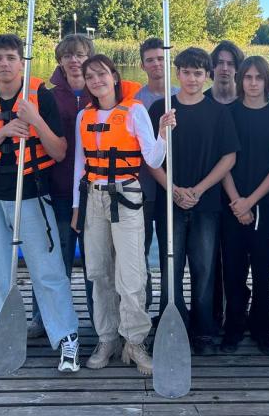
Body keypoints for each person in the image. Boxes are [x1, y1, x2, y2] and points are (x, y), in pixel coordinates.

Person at [0, 34, 80, 373]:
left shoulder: (40, 95)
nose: (4, 64)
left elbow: (59, 152)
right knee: (0, 275)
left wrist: (35, 119)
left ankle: (66, 337)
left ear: (22, 62)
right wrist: (4, 131)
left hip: (32, 195)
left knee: (48, 271)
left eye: (11, 57)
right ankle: (8, 335)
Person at [70, 55, 175, 375]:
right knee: (98, 273)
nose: (96, 80)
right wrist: (76, 207)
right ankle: (107, 339)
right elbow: (80, 164)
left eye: (101, 74)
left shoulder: (135, 111)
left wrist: (163, 133)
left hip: (127, 197)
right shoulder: (83, 116)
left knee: (131, 275)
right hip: (93, 198)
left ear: (114, 76)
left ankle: (134, 341)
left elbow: (153, 159)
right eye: (90, 76)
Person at [148, 47, 239, 355]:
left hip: (206, 204)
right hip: (168, 203)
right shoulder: (162, 110)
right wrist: (173, 189)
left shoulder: (218, 112)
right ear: (177, 74)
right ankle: (171, 326)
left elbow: (228, 157)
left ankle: (204, 331)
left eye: (198, 73)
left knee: (204, 269)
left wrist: (198, 190)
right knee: (170, 269)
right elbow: (151, 158)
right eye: (185, 72)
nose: (191, 79)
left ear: (207, 76)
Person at [220, 56, 269, 355]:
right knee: (233, 271)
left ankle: (263, 328)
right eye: (247, 77)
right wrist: (237, 201)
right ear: (240, 80)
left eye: (258, 77)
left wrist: (250, 201)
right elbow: (223, 162)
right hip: (231, 202)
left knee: (263, 271)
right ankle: (234, 327)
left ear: (266, 81)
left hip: (265, 205)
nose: (252, 83)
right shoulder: (228, 114)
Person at [28, 33, 96, 340]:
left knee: (96, 263)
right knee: (54, 260)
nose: (74, 60)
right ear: (60, 61)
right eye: (68, 55)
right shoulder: (48, 96)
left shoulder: (104, 92)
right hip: (56, 190)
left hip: (94, 192)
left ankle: (99, 319)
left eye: (80, 55)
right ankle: (43, 318)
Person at [134, 37, 178, 313]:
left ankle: (168, 307)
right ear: (142, 65)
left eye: (161, 58)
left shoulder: (180, 95)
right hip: (143, 187)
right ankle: (143, 306)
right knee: (139, 250)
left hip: (173, 189)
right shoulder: (135, 101)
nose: (156, 64)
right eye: (150, 60)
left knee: (169, 252)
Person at [203, 40, 245, 329]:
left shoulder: (247, 103)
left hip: (242, 193)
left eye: (231, 63)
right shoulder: (202, 101)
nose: (225, 68)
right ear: (212, 68)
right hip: (208, 192)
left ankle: (238, 314)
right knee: (209, 258)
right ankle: (213, 313)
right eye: (219, 63)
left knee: (237, 258)